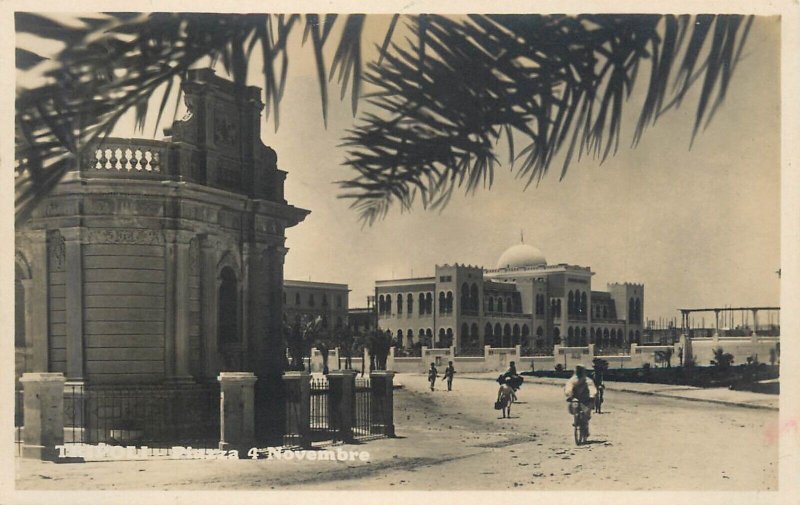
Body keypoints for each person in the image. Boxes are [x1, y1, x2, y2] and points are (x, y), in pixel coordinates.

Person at [564, 364, 597, 434]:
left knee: (586, 413)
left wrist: (592, 395)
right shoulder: (572, 380)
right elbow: (569, 387)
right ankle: (576, 420)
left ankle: (585, 427)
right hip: (575, 399)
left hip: (586, 400)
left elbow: (592, 388)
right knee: (574, 407)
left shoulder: (588, 380)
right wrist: (569, 395)